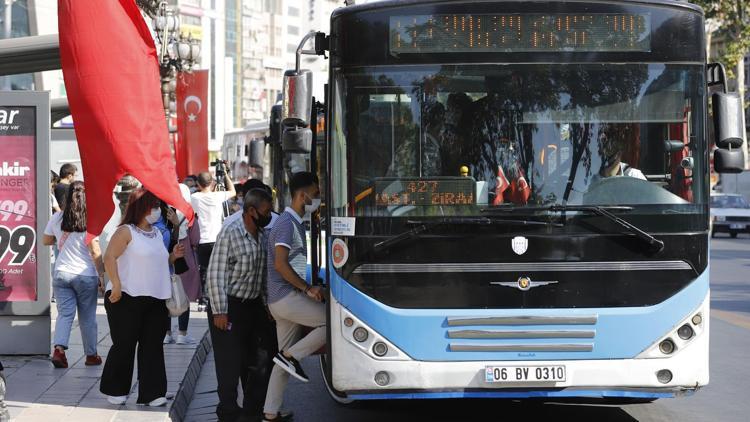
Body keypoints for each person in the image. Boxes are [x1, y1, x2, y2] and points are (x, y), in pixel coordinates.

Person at [100, 189, 185, 407]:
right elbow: (109, 257)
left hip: (155, 298)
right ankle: (116, 389)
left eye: (158, 206)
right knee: (124, 343)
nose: (157, 211)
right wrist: (116, 285)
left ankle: (153, 393)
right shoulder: (125, 231)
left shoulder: (157, 234)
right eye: (153, 206)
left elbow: (159, 261)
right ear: (141, 207)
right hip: (125, 297)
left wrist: (173, 256)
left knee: (153, 345)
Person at [207, 189, 278, 422]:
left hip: (254, 305)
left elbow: (264, 274)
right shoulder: (231, 232)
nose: (269, 215)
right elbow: (215, 274)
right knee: (229, 363)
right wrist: (219, 311)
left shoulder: (263, 234)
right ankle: (227, 413)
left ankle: (252, 411)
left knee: (261, 359)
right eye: (266, 211)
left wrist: (267, 306)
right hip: (229, 306)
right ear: (250, 211)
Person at [263, 172, 325, 422]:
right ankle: (289, 357)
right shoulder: (286, 224)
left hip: (281, 300)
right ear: (303, 195)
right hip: (286, 298)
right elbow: (280, 264)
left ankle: (270, 412)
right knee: (331, 323)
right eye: (317, 195)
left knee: (283, 362)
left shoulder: (294, 222)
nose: (318, 199)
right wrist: (307, 288)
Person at [42, 181, 104, 368]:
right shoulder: (91, 220)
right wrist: (102, 276)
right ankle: (91, 356)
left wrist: (60, 237)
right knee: (87, 317)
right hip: (85, 275)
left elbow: (46, 240)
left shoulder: (57, 218)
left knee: (65, 314)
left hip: (62, 274)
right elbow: (95, 251)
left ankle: (59, 350)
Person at [191, 171, 236, 309]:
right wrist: (226, 174)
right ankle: (217, 298)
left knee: (203, 270)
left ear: (198, 184)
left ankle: (204, 300)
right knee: (218, 271)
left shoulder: (194, 197)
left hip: (202, 240)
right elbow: (232, 191)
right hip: (218, 240)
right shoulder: (218, 196)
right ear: (212, 183)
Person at [165, 184, 201, 344]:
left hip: (166, 254)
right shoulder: (189, 214)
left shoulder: (164, 212)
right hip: (185, 256)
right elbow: (195, 239)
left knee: (166, 294)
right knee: (183, 295)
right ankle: (182, 333)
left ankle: (166, 333)